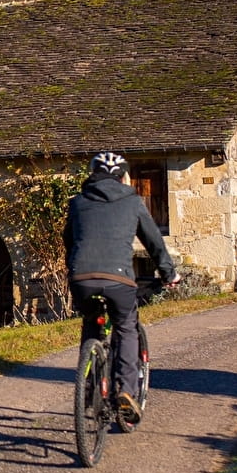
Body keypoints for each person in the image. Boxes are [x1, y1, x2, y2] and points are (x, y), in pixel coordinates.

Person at [63, 151, 178, 424]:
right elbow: (154, 242)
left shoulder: (78, 202)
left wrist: (76, 269)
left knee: (92, 323)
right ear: (124, 176)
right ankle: (126, 391)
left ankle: (89, 387)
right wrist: (168, 273)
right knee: (126, 327)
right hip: (119, 280)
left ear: (91, 174)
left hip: (82, 278)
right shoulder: (132, 201)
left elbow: (69, 239)